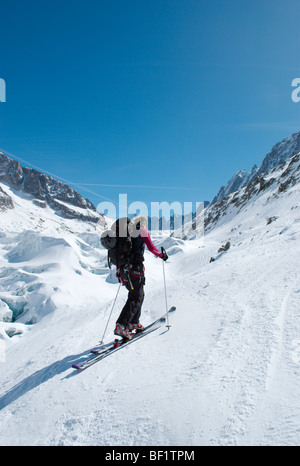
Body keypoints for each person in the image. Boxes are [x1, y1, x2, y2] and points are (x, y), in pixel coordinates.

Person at [114, 216, 168, 339]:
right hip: (134, 270)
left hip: (123, 270)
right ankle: (121, 325)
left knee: (138, 295)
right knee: (136, 297)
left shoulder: (127, 232)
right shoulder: (141, 230)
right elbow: (151, 247)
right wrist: (162, 255)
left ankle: (133, 322)